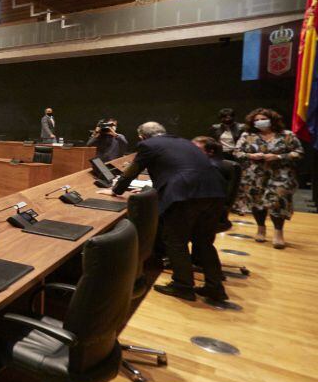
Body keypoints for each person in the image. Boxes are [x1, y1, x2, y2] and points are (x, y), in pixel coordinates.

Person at [105, 122, 228, 302]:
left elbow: (132, 171)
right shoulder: (184, 142)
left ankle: (183, 286)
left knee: (175, 241)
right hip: (214, 191)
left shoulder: (148, 145)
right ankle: (215, 287)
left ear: (142, 136)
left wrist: (116, 190)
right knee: (204, 242)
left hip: (184, 194)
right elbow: (176, 166)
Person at [232, 108, 303, 249]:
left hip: (280, 174)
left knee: (278, 201)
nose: (260, 122)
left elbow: (299, 152)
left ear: (272, 119)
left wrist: (278, 156)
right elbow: (237, 152)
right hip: (254, 175)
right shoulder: (248, 135)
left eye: (262, 119)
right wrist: (251, 156)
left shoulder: (287, 135)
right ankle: (261, 228)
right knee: (257, 202)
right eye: (256, 120)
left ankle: (278, 232)